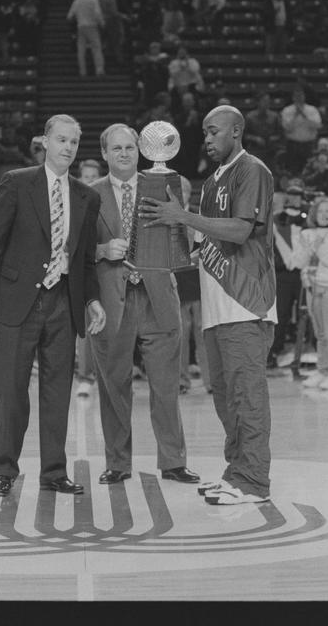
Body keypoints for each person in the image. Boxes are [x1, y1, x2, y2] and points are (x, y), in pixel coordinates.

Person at [140, 105, 277, 505]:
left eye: (214, 131)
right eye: (204, 132)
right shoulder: (214, 178)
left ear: (236, 131)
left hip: (246, 304)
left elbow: (239, 230)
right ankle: (236, 472)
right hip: (217, 307)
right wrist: (172, 233)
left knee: (247, 396)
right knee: (225, 398)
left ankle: (254, 481)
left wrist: (183, 215)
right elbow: (206, 244)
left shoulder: (252, 170)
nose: (207, 139)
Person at [0, 114, 106, 497]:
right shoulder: (17, 182)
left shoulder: (87, 196)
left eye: (73, 142)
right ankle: (5, 469)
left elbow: (85, 260)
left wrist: (92, 298)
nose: (68, 147)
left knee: (57, 391)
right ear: (45, 141)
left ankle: (54, 472)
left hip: (63, 302)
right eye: (61, 139)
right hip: (18, 301)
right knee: (11, 390)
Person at [89, 123, 200, 486]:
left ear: (140, 150)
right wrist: (102, 250)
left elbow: (182, 243)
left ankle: (173, 462)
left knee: (167, 387)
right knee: (114, 388)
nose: (124, 153)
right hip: (111, 300)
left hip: (159, 296)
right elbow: (74, 250)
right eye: (116, 148)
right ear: (104, 153)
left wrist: (181, 220)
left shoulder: (161, 185)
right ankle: (117, 463)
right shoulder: (89, 194)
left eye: (130, 147)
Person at [292, 197, 328, 390]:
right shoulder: (306, 233)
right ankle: (323, 370)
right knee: (320, 333)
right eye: (320, 211)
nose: (324, 215)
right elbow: (299, 262)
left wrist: (318, 246)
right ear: (314, 214)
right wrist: (304, 248)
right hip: (312, 287)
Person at [175, 176, 212, 394]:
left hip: (198, 282)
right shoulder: (165, 218)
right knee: (180, 333)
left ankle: (211, 381)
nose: (180, 195)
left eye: (183, 191)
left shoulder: (199, 217)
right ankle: (181, 380)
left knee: (203, 332)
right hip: (176, 283)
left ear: (189, 194)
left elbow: (206, 248)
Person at [268, 181, 307, 369]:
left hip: (302, 273)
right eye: (291, 195)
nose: (294, 198)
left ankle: (307, 351)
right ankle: (273, 352)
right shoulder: (275, 219)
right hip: (282, 273)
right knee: (280, 314)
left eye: (297, 195)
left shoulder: (307, 218)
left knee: (305, 313)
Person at [75, 158, 102, 398]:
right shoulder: (74, 202)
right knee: (85, 328)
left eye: (95, 177)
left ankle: (110, 379)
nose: (91, 181)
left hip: (109, 271)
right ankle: (84, 377)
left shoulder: (107, 200)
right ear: (80, 178)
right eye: (86, 177)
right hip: (83, 271)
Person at [66, 0, 105, 77]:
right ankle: (99, 70)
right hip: (92, 26)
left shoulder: (77, 1)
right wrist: (102, 23)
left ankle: (82, 71)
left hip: (80, 27)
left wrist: (78, 18)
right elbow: (97, 13)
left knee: (81, 50)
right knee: (96, 48)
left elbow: (69, 17)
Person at [280, 86, 322, 175]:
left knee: (309, 171)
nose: (299, 98)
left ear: (304, 97)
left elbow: (317, 125)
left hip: (309, 145)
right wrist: (295, 115)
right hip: (292, 145)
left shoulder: (312, 110)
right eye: (297, 96)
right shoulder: (287, 110)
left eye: (301, 95)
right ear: (293, 97)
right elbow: (287, 128)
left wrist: (304, 115)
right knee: (292, 171)